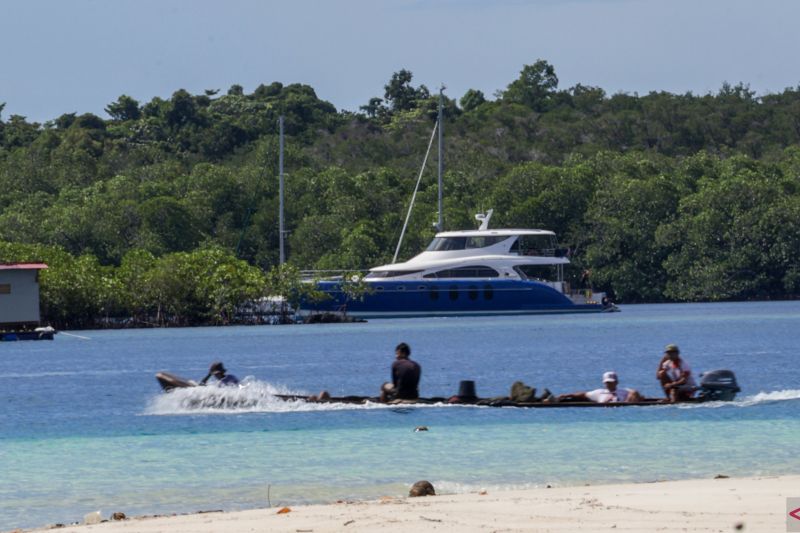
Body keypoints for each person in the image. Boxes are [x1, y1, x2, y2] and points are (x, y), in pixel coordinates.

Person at [558, 371, 642, 403]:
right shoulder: (598, 392)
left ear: (616, 382)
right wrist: (566, 395)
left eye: (611, 382)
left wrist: (632, 395)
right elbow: (583, 394)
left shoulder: (624, 391)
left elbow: (638, 395)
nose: (609, 385)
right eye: (607, 383)